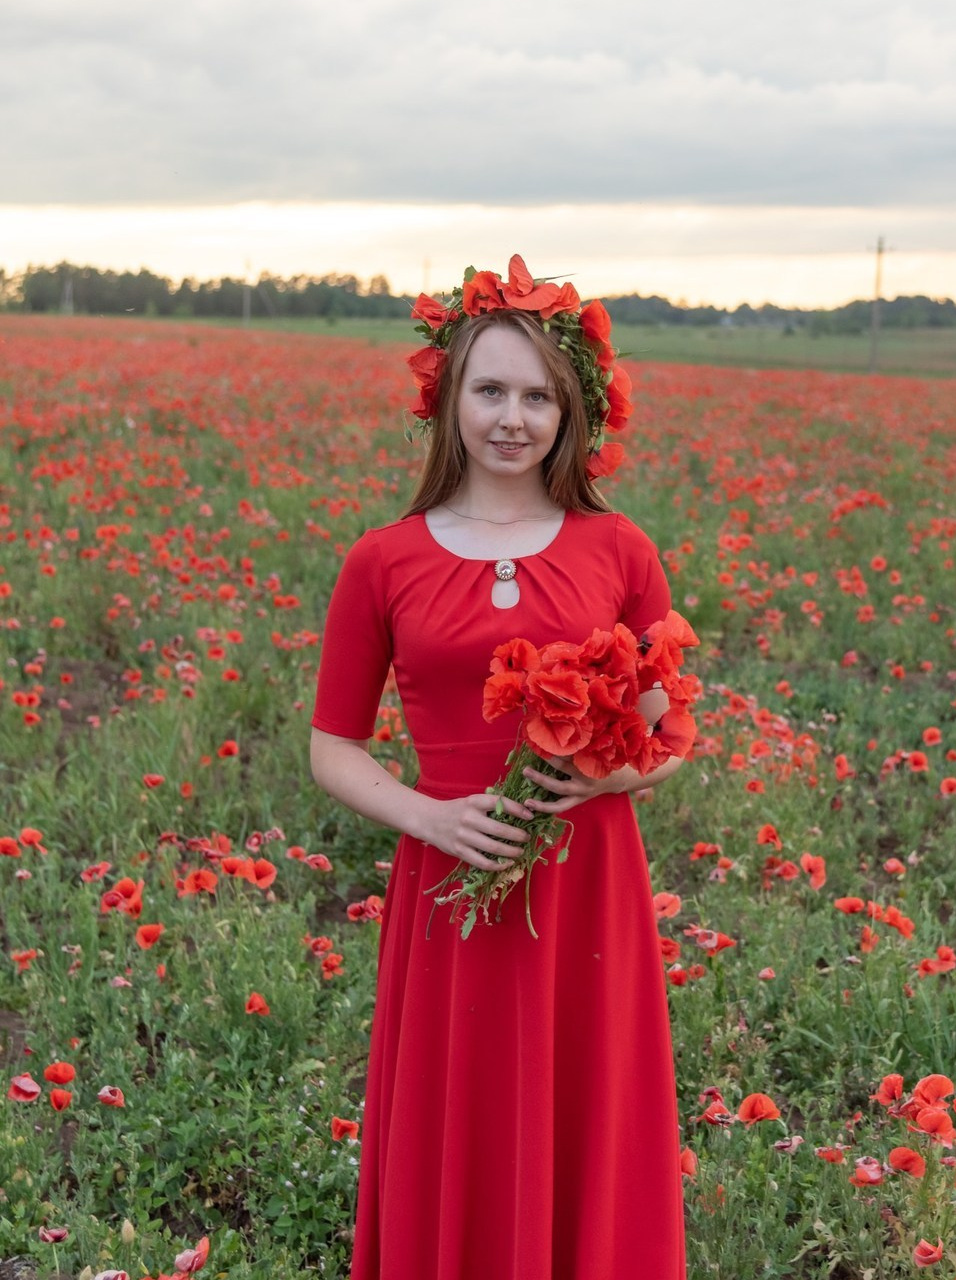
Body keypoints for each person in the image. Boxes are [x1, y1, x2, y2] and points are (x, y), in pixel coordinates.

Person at [309, 256, 688, 1279]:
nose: (511, 417)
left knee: (580, 1109)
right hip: (451, 875)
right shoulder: (381, 559)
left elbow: (668, 726)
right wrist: (428, 819)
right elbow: (332, 742)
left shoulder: (619, 548)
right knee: (463, 1110)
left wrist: (613, 777)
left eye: (535, 396)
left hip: (585, 882)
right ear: (447, 400)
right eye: (489, 390)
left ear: (573, 411)